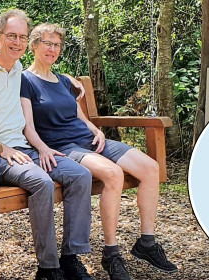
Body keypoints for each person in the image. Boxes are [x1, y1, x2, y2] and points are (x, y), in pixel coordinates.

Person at [19, 23, 177, 280]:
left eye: (57, 45)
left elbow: (79, 115)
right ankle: (111, 253)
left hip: (88, 140)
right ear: (34, 45)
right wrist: (42, 148)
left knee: (150, 168)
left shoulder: (62, 80)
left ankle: (146, 243)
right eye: (47, 43)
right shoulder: (25, 81)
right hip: (64, 147)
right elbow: (28, 125)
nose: (52, 49)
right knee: (113, 174)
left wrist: (96, 130)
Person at [0, 9, 95, 280]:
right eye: (11, 36)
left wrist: (70, 81)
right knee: (41, 182)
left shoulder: (17, 68)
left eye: (21, 37)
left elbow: (43, 71)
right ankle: (48, 268)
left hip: (23, 150)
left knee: (80, 175)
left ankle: (70, 257)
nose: (17, 43)